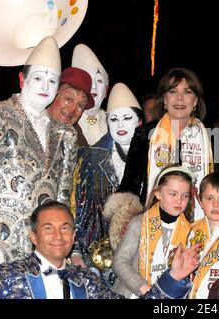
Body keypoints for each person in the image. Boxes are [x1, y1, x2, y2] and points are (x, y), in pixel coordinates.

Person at [0, 36, 77, 281]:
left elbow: (61, 199)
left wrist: (61, 246)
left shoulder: (64, 134)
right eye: (38, 78)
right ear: (23, 79)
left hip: (41, 254)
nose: (45, 86)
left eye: (52, 80)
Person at [0, 200, 200, 299]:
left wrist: (174, 277)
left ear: (73, 237)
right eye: (48, 228)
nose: (58, 236)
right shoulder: (9, 275)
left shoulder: (87, 281)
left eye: (65, 228)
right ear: (33, 236)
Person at [70, 83, 143, 286]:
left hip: (142, 255)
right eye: (114, 119)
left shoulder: (155, 157)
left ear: (139, 121)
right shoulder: (91, 158)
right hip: (100, 258)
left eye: (127, 118)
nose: (120, 125)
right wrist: (75, 250)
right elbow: (78, 207)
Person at [118, 67, 213, 220]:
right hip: (151, 220)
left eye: (187, 92)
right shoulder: (145, 134)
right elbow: (130, 185)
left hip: (198, 221)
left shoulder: (209, 138)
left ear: (195, 101)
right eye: (173, 91)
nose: (180, 98)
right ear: (164, 99)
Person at [112, 165, 195, 298]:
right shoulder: (139, 223)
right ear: (158, 194)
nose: (179, 201)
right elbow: (119, 261)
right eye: (173, 194)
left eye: (185, 196)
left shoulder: (190, 231)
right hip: (134, 294)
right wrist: (144, 288)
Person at [72, 44, 110, 146]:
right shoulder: (66, 122)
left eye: (99, 80)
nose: (93, 85)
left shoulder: (114, 121)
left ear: (106, 90)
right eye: (87, 80)